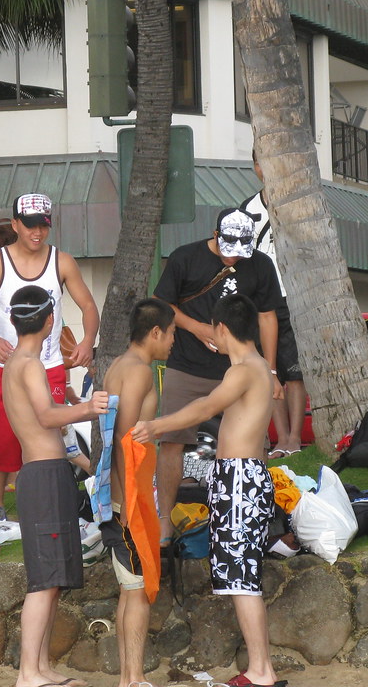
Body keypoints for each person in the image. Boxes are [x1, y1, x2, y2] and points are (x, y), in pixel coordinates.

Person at [131, 294, 282, 687]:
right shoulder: (255, 366)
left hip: (240, 480)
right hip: (242, 477)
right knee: (241, 576)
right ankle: (261, 668)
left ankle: (261, 672)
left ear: (221, 328)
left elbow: (204, 407)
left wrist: (156, 427)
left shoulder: (245, 369)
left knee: (240, 579)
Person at [152, 209, 283, 545]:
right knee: (172, 442)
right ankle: (165, 521)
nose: (234, 254)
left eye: (242, 248)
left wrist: (271, 369)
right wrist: (196, 328)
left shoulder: (261, 264)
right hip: (188, 365)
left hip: (241, 369)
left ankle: (263, 522)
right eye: (228, 246)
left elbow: (268, 318)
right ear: (214, 233)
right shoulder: (186, 257)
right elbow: (161, 302)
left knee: (257, 443)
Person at [0, 284, 107, 687]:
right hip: (43, 475)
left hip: (46, 473)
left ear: (12, 320)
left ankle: (41, 667)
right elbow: (46, 416)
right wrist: (88, 408)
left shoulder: (17, 362)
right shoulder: (27, 364)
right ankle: (28, 674)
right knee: (44, 581)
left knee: (54, 579)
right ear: (49, 321)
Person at [0, 193, 99, 520]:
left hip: (49, 364)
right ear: (14, 224)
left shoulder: (62, 261)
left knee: (48, 436)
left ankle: (47, 499)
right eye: (29, 226)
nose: (36, 233)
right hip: (2, 365)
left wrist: (87, 340)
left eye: (42, 225)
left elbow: (87, 305)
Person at [101, 298, 175, 687]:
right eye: (173, 333)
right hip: (128, 497)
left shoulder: (119, 364)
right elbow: (123, 436)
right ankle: (132, 680)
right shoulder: (140, 372)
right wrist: (132, 500)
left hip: (123, 495)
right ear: (156, 332)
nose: (173, 342)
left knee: (130, 590)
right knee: (138, 590)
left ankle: (130, 678)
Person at [241, 167, 307, 457]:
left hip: (292, 295)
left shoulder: (298, 204)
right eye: (260, 162)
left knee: (294, 372)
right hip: (259, 301)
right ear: (256, 166)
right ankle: (281, 439)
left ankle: (295, 437)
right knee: (270, 371)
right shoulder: (248, 209)